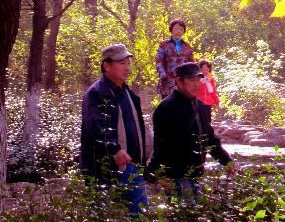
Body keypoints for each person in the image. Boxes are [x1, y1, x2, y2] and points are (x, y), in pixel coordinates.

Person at [149, 61, 234, 202]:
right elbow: (160, 145)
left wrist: (227, 161)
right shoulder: (166, 108)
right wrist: (156, 174)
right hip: (175, 175)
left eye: (198, 79)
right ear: (179, 81)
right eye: (191, 80)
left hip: (196, 173)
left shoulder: (199, 105)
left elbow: (209, 138)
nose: (196, 84)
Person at [80, 44, 148, 216]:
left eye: (128, 63)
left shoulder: (130, 95)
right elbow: (96, 127)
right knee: (101, 215)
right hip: (103, 170)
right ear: (106, 65)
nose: (127, 68)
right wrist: (114, 149)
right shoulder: (96, 93)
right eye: (121, 63)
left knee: (139, 216)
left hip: (132, 167)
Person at [155, 18, 195, 99]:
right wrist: (162, 73)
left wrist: (192, 76)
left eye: (181, 29)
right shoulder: (164, 44)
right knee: (167, 108)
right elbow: (158, 60)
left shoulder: (187, 46)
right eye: (177, 29)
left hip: (183, 82)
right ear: (171, 30)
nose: (179, 31)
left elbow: (191, 63)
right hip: (167, 81)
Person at [197, 59, 220, 127]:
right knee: (200, 121)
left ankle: (207, 136)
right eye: (202, 69)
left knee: (208, 121)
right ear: (199, 69)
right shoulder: (196, 79)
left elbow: (213, 91)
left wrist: (216, 101)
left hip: (208, 103)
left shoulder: (211, 79)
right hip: (198, 103)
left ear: (209, 69)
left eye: (206, 69)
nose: (204, 71)